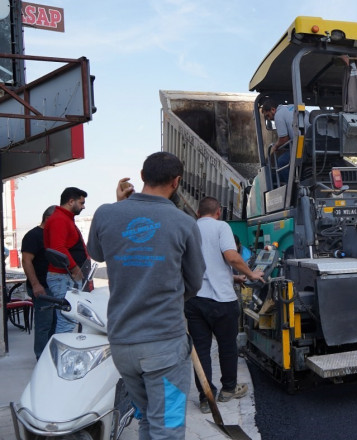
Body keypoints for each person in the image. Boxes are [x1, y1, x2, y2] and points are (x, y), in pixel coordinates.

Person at [87, 153, 206, 440]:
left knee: (148, 420)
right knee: (170, 427)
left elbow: (97, 253)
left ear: (141, 176)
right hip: (165, 345)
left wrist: (120, 207)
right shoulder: (184, 223)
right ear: (176, 182)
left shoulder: (105, 213)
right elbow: (194, 282)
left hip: (123, 345)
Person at [187, 196, 264, 414]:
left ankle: (205, 397)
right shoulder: (221, 227)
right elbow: (231, 256)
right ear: (218, 211)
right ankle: (228, 389)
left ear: (198, 213)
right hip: (222, 301)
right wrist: (249, 274)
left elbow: (204, 265)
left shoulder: (189, 228)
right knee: (227, 346)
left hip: (194, 301)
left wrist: (233, 278)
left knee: (201, 349)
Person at [43, 187, 89, 334]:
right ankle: (63, 356)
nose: (83, 206)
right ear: (71, 201)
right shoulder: (59, 219)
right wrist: (75, 269)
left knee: (69, 320)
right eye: (81, 203)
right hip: (64, 277)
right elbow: (58, 248)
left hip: (67, 277)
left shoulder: (64, 219)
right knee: (67, 322)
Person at [21, 206, 55, 358]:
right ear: (48, 218)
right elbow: (26, 261)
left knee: (55, 323)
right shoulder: (33, 235)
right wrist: (35, 285)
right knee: (44, 324)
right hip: (41, 288)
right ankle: (41, 357)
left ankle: (51, 355)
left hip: (53, 287)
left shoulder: (52, 235)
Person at [261, 98, 296, 185]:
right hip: (312, 141)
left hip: (301, 146)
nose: (269, 119)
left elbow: (284, 138)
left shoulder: (278, 116)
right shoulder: (291, 108)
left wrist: (275, 146)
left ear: (273, 109)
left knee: (281, 162)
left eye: (268, 115)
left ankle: (291, 188)